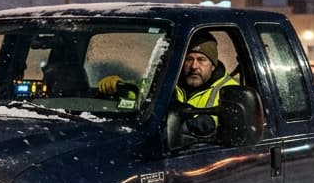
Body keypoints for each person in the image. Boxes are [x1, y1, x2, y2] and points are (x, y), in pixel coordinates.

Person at [97, 35, 238, 137]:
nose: (194, 66)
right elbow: (142, 90)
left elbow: (216, 124)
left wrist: (195, 124)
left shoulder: (230, 90)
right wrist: (117, 84)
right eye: (189, 59)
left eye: (201, 60)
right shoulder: (168, 81)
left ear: (213, 65)